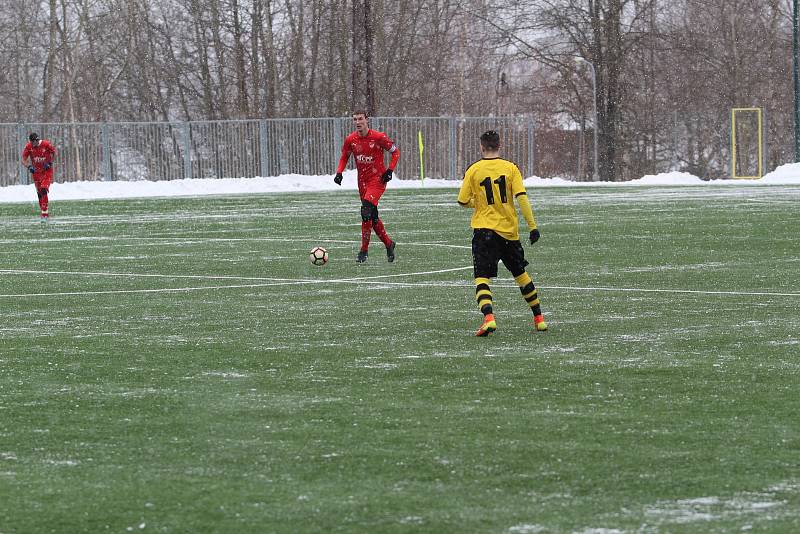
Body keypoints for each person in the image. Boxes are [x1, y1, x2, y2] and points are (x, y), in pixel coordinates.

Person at [457, 130, 548, 336]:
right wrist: (532, 226)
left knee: (482, 277)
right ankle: (539, 318)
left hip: (484, 232)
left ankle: (489, 318)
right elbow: (522, 198)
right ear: (500, 145)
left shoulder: (474, 170)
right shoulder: (510, 168)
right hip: (509, 232)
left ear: (481, 147)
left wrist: (477, 203)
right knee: (521, 275)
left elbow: (462, 200)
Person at [334, 110, 400, 263]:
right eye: (355, 119)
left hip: (377, 180)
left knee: (366, 211)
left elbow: (396, 153)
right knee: (372, 216)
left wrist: (389, 170)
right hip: (362, 182)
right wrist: (339, 172)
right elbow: (344, 156)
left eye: (360, 119)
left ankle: (363, 251)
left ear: (366, 120)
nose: (358, 122)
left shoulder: (379, 137)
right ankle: (389, 244)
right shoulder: (351, 139)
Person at [21, 132, 57, 221]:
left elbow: (54, 153)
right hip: (36, 173)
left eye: (35, 142)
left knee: (44, 189)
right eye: (32, 142)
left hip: (46, 171)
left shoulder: (46, 144)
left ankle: (44, 213)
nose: (34, 144)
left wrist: (50, 163)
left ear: (37, 140)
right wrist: (29, 167)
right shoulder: (28, 147)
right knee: (39, 193)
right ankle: (44, 211)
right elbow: (23, 159)